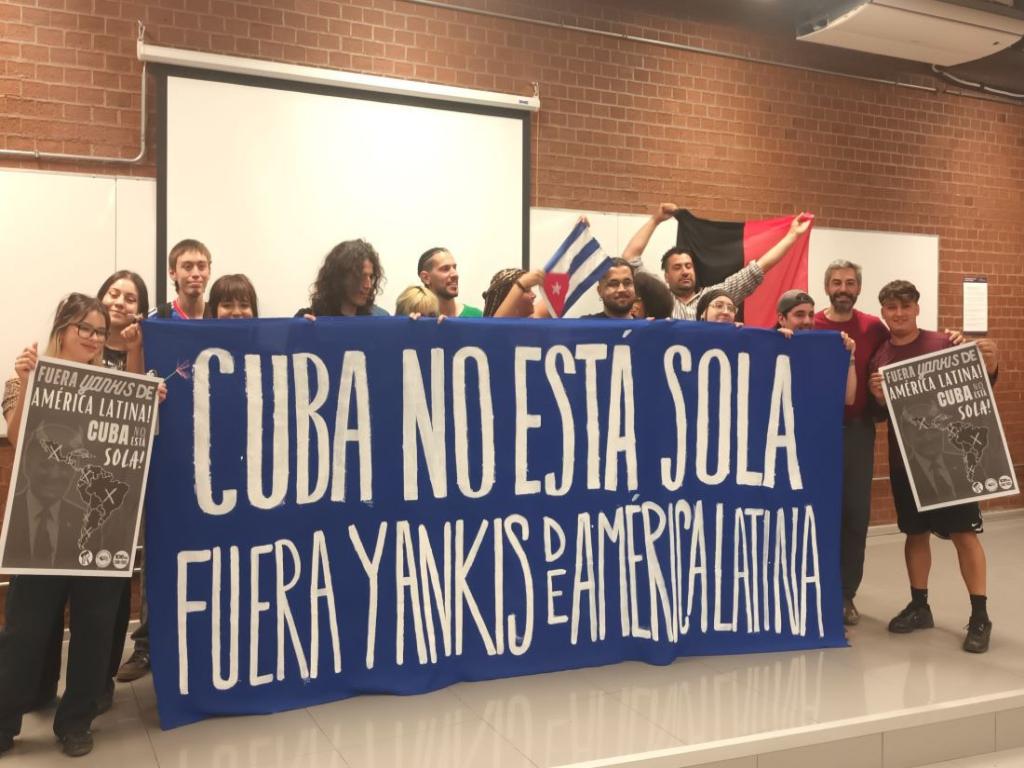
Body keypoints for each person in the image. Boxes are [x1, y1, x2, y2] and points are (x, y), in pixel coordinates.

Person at [0, 294, 133, 757]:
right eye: (85, 328)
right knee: (25, 629)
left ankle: (76, 722)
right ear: (63, 328)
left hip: (99, 526)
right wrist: (24, 381)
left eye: (100, 331)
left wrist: (149, 402)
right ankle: (4, 720)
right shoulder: (29, 371)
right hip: (40, 527)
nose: (94, 338)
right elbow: (16, 437)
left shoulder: (116, 384)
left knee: (94, 628)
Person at [867, 279, 999, 654]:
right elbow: (878, 415)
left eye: (905, 306)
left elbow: (978, 389)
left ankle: (980, 616)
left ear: (917, 309)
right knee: (915, 533)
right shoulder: (880, 357)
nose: (899, 313)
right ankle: (920, 606)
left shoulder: (945, 343)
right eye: (892, 307)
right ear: (883, 312)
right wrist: (877, 398)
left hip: (952, 460)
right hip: (907, 462)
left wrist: (991, 365)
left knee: (964, 534)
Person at [812, 259, 890, 627]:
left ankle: (845, 594)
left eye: (849, 283)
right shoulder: (810, 323)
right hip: (814, 432)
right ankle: (813, 588)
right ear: (826, 286)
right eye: (836, 282)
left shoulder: (874, 327)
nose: (843, 289)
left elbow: (901, 355)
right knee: (815, 512)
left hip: (858, 431)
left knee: (855, 514)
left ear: (858, 288)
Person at [622, 202, 813, 320]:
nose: (685, 271)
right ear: (666, 276)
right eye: (677, 267)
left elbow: (758, 268)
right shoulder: (658, 296)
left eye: (688, 266)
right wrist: (655, 220)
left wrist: (792, 235)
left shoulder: (715, 297)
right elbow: (629, 259)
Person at [775, 288, 857, 406]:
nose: (807, 321)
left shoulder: (823, 350)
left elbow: (848, 399)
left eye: (811, 315)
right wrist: (775, 344)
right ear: (781, 318)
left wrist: (850, 356)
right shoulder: (766, 347)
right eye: (799, 315)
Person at [296, 239, 389, 318]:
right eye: (360, 277)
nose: (368, 285)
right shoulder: (309, 318)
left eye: (370, 277)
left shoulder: (379, 319)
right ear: (339, 278)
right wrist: (307, 330)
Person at [151, 239, 212, 319]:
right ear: (172, 273)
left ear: (209, 271)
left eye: (201, 266)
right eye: (188, 267)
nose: (196, 274)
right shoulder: (156, 317)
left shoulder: (219, 316)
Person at [417, 247, 482, 317]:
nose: (455, 274)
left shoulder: (477, 317)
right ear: (426, 278)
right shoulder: (418, 318)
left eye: (454, 268)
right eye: (445, 269)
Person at [483, 268, 550, 318]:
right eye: (527, 291)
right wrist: (521, 284)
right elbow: (496, 326)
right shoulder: (492, 330)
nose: (534, 295)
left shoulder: (534, 317)